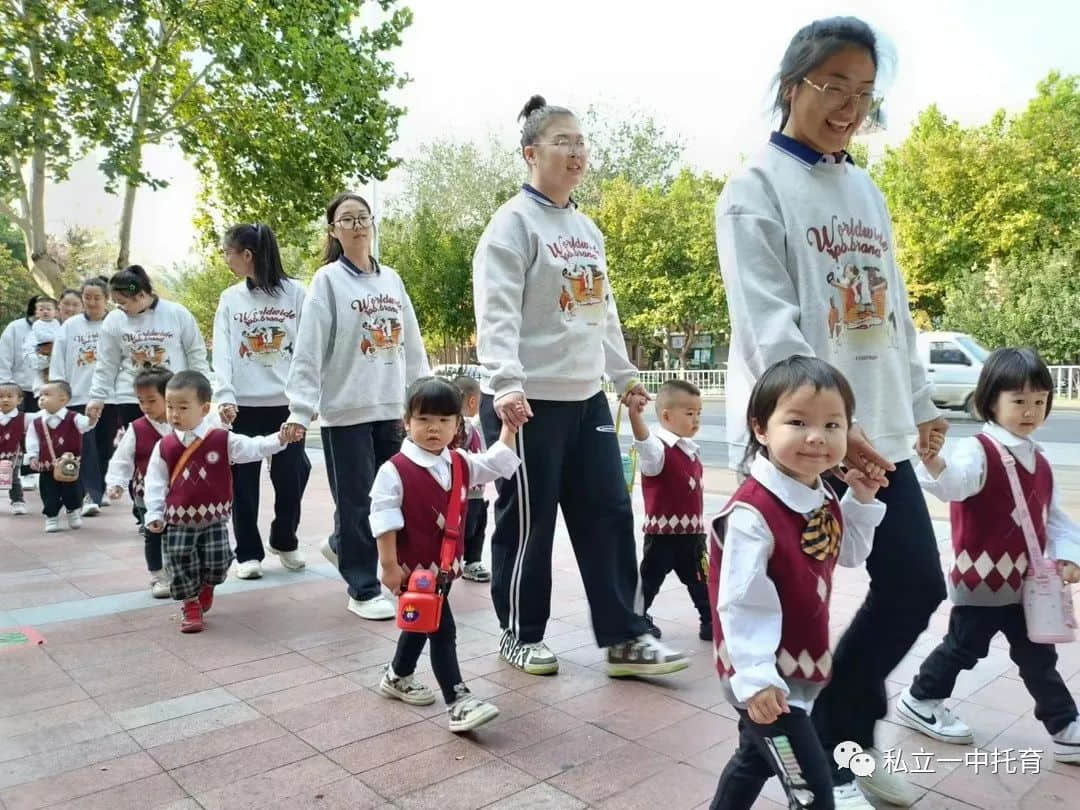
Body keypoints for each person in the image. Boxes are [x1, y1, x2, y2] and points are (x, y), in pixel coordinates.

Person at [715, 17, 948, 805]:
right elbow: (768, 330)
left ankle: (840, 738)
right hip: (805, 445)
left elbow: (895, 311)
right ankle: (806, 769)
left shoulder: (864, 186)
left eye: (863, 93)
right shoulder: (753, 191)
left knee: (916, 584)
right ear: (793, 86)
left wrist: (916, 404)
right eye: (834, 86)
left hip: (879, 436)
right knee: (780, 626)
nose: (850, 106)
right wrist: (832, 437)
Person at [473, 94, 687, 678]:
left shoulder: (586, 228)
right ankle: (520, 633)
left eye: (580, 142)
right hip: (526, 402)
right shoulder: (510, 226)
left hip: (585, 396)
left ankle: (626, 637)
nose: (576, 152)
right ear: (530, 153)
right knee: (529, 523)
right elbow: (496, 314)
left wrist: (623, 377)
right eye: (562, 141)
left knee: (609, 513)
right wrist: (506, 384)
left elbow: (602, 310)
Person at [709, 357, 885, 810]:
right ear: (761, 429)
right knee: (811, 788)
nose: (817, 437)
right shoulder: (754, 515)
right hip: (765, 676)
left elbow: (846, 553)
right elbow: (740, 604)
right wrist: (758, 680)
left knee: (753, 759)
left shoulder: (819, 493)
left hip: (795, 668)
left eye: (832, 424)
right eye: (797, 421)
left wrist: (861, 498)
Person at [896, 348, 1080, 764]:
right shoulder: (977, 450)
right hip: (981, 578)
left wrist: (1069, 556)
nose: (1030, 411)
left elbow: (1056, 519)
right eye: (1019, 401)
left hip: (1025, 583)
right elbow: (955, 485)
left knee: (1037, 655)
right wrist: (935, 462)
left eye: (1039, 401)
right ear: (991, 399)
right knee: (964, 646)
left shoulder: (1041, 461)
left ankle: (1065, 725)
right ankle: (920, 698)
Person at [281, 193, 429, 622]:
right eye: (347, 219)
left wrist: (420, 394)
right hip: (346, 409)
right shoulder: (327, 281)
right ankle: (362, 587)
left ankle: (344, 546)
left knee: (392, 496)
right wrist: (300, 406)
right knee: (357, 501)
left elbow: (411, 342)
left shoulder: (392, 279)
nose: (358, 225)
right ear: (334, 231)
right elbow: (308, 349)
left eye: (364, 217)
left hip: (390, 408)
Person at [372, 377, 521, 732]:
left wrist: (509, 428)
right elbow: (384, 520)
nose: (433, 428)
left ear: (458, 425)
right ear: (406, 422)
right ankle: (458, 700)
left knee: (422, 622)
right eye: (423, 419)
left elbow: (496, 463)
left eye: (443, 420)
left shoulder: (458, 462)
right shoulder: (394, 470)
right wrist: (389, 566)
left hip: (443, 570)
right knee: (440, 628)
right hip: (412, 571)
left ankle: (397, 675)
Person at [144, 371, 296, 633]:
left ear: (204, 409)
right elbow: (154, 482)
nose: (174, 414)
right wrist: (154, 513)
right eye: (170, 407)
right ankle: (190, 604)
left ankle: (207, 584)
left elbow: (253, 448)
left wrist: (280, 439)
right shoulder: (165, 446)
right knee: (179, 561)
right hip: (178, 520)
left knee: (219, 561)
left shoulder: (221, 439)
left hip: (214, 518)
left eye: (183, 407)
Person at [213, 223, 310, 579]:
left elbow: (308, 348)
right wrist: (224, 393)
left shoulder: (297, 293)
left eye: (228, 252)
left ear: (247, 255)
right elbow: (223, 350)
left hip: (287, 406)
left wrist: (306, 398)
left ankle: (284, 539)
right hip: (244, 405)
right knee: (243, 482)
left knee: (293, 476)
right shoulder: (230, 299)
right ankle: (248, 553)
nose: (227, 260)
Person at [629, 379, 711, 641]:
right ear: (666, 415)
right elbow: (644, 442)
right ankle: (635, 620)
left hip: (693, 536)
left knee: (701, 580)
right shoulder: (658, 450)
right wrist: (634, 414)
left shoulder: (691, 451)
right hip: (663, 536)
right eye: (689, 414)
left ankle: (710, 622)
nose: (696, 419)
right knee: (649, 581)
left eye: (698, 413)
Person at [85, 265, 210, 433]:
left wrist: (203, 391)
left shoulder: (176, 313)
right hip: (131, 398)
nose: (119, 307)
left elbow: (196, 354)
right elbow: (107, 363)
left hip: (173, 398)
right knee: (139, 451)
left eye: (122, 302)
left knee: (174, 450)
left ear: (141, 295)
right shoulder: (114, 320)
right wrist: (97, 397)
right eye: (115, 303)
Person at [105, 367, 173, 598]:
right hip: (147, 493)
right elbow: (122, 459)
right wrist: (116, 483)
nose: (145, 406)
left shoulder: (183, 424)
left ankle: (179, 571)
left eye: (152, 400)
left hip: (180, 492)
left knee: (178, 534)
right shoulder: (137, 428)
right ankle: (158, 576)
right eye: (141, 401)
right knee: (153, 533)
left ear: (169, 397)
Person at [50, 277, 114, 516]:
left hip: (111, 397)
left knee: (104, 446)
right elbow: (58, 358)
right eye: (87, 297)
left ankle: (101, 488)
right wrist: (59, 389)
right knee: (84, 448)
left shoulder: (116, 322)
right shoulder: (70, 326)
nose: (92, 302)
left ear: (106, 298)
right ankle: (91, 495)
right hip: (78, 395)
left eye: (97, 297)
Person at [25, 380, 99, 532]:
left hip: (70, 465)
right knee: (48, 491)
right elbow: (32, 439)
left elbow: (87, 425)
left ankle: (73, 510)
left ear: (63, 399)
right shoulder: (37, 422)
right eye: (40, 395)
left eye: (47, 394)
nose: (42, 398)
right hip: (47, 465)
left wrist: (92, 418)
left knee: (73, 489)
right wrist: (33, 456)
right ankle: (51, 517)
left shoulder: (74, 418)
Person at [453, 375, 491, 582]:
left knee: (478, 525)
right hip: (464, 492)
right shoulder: (462, 426)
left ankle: (473, 561)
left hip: (477, 492)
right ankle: (455, 560)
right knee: (466, 529)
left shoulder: (471, 426)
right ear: (472, 401)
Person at [0, 382, 32, 514]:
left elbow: (43, 418)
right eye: (1, 396)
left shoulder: (24, 417)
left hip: (13, 453)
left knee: (12, 476)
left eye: (9, 396)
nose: (5, 399)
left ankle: (17, 500)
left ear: (19, 399)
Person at [23, 298, 59, 393]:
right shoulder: (38, 324)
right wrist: (57, 339)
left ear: (55, 312)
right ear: (37, 313)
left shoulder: (56, 323)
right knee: (45, 374)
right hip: (43, 351)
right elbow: (42, 338)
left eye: (48, 309)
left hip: (56, 352)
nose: (45, 312)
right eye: (41, 309)